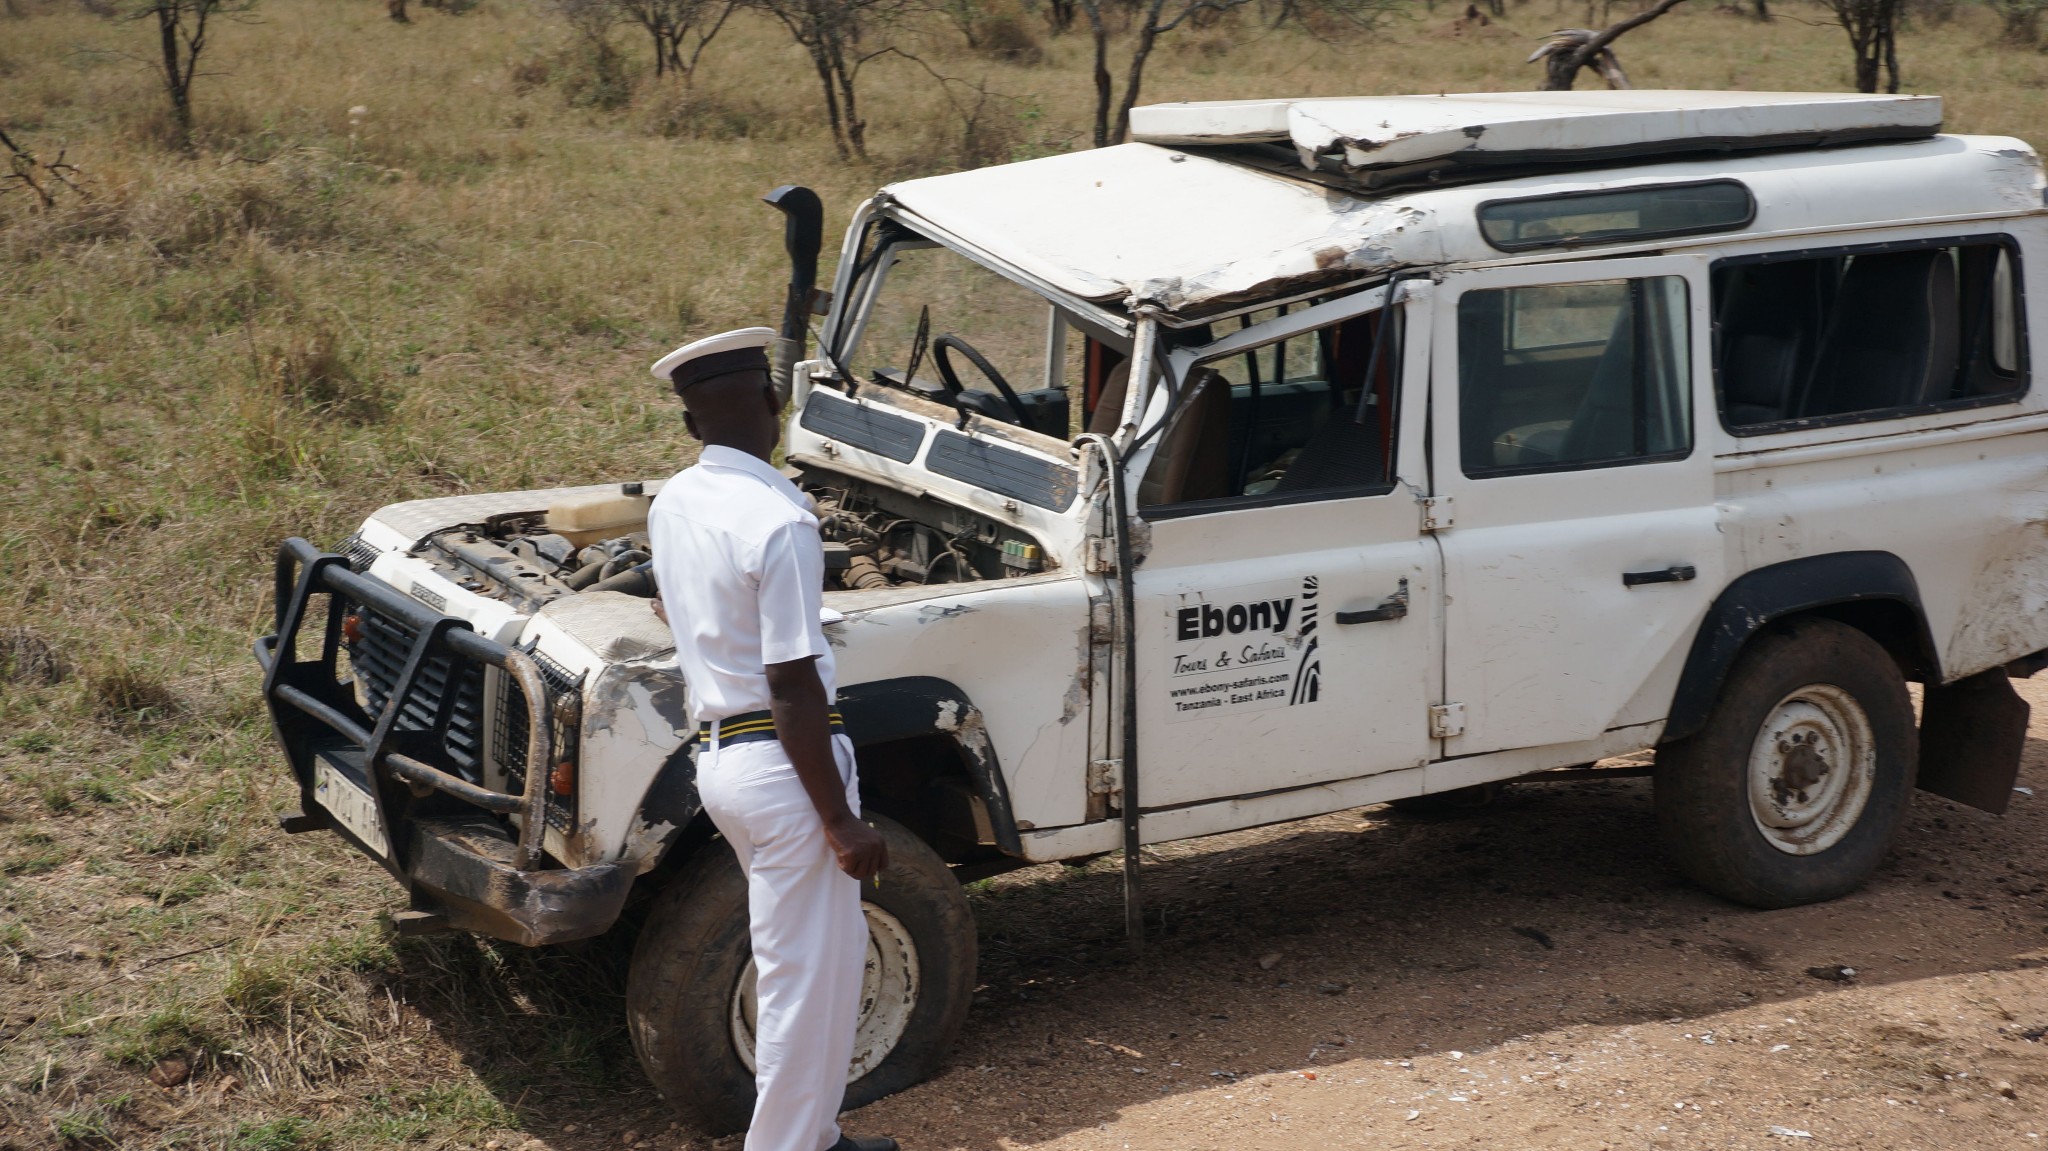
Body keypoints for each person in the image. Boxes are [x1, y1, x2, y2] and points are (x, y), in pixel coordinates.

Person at [645, 327, 896, 1151]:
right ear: (774, 401)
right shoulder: (783, 521)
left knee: (818, 960)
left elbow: (680, 607)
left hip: (724, 760)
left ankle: (814, 1136)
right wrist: (840, 820)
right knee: (804, 977)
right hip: (787, 772)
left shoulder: (677, 498)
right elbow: (792, 682)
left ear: (691, 428)